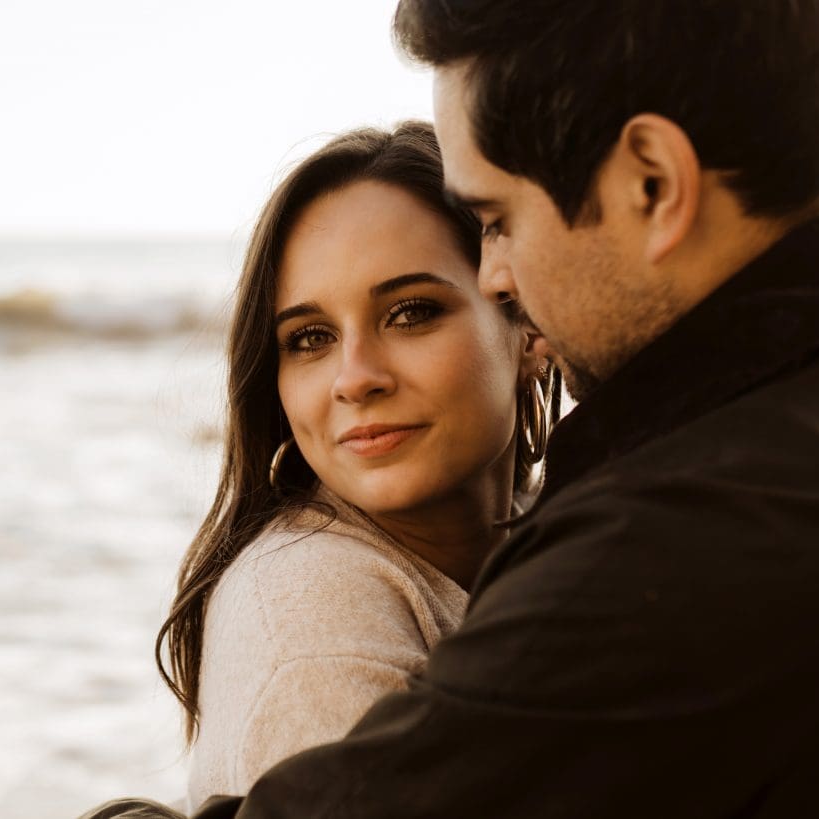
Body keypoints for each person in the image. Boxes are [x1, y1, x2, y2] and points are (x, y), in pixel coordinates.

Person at [95, 1, 819, 815]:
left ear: (652, 182)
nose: (498, 275)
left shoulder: (691, 536)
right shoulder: (817, 425)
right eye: (306, 336)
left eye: (498, 222)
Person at [154, 122, 551, 809]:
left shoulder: (573, 531)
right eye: (310, 338)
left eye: (410, 312)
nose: (355, 378)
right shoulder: (312, 617)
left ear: (529, 324)